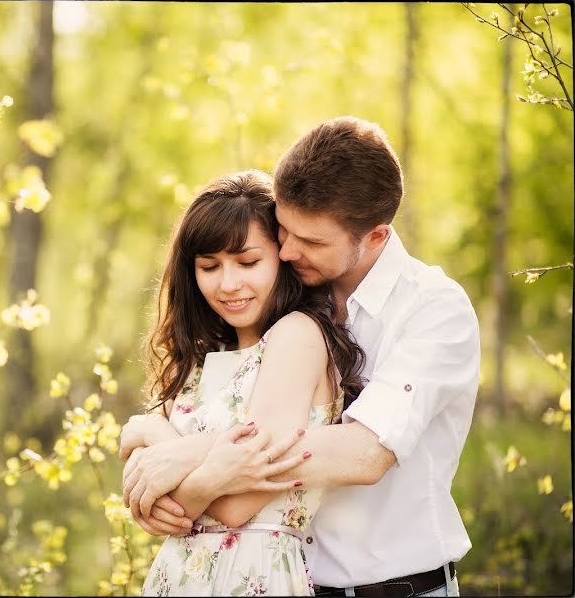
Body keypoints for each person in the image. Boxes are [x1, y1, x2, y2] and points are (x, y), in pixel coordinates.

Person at [121, 116, 481, 597]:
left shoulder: (433, 308)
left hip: (396, 586)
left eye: (310, 241)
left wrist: (175, 451)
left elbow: (366, 453)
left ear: (375, 236)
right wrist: (157, 442)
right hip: (291, 581)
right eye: (284, 230)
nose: (287, 251)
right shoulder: (285, 302)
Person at [125, 168, 365, 596]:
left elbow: (238, 505)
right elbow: (154, 506)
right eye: (209, 266)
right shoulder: (199, 362)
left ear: (282, 256)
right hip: (176, 580)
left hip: (255, 576)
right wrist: (191, 485)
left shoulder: (297, 336)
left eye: (248, 262)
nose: (229, 284)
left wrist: (152, 431)